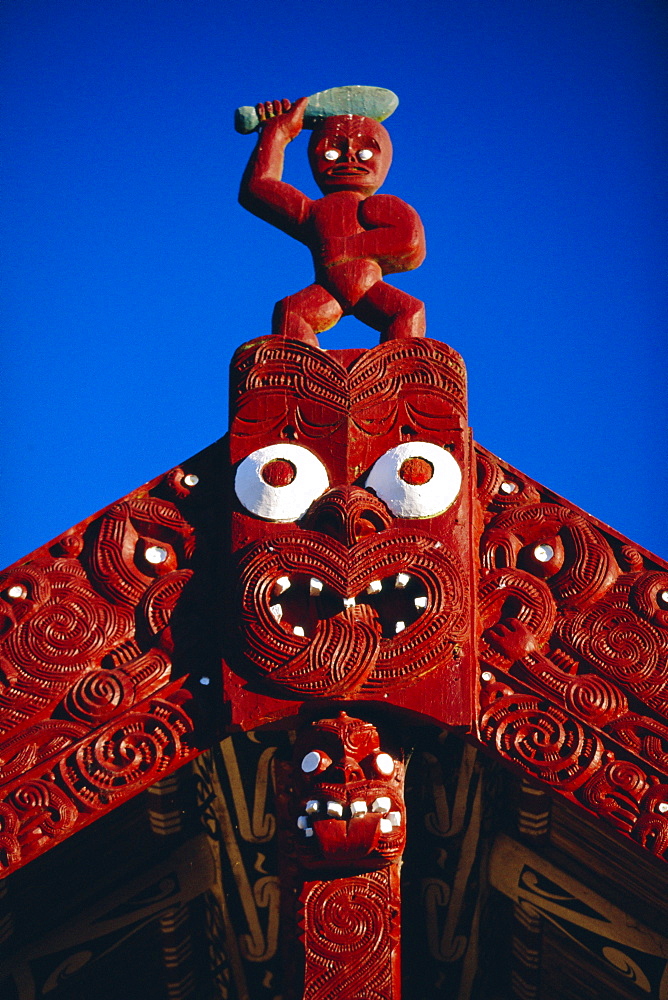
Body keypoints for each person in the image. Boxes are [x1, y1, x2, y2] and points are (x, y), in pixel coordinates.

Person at [239, 97, 426, 346]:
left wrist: (350, 247)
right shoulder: (312, 211)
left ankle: (402, 370)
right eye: (331, 152)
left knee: (409, 311)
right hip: (327, 292)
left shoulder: (382, 206)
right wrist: (277, 132)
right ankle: (301, 372)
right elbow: (259, 188)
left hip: (370, 289)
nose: (348, 159)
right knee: (289, 312)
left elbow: (409, 241)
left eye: (365, 152)